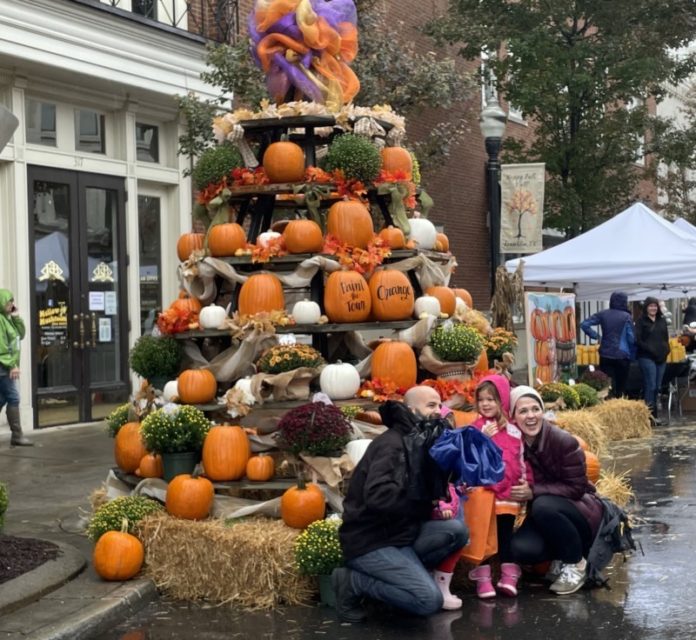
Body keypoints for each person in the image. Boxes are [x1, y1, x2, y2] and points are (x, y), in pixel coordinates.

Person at [334, 386, 469, 622]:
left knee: (457, 531)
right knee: (429, 601)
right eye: (431, 406)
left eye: (439, 405)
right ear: (411, 409)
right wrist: (424, 499)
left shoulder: (419, 442)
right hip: (371, 540)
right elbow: (378, 496)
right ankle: (352, 582)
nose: (438, 411)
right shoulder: (393, 445)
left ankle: (406, 575)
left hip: (401, 534)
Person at [508, 386, 603, 596]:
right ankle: (561, 555)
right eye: (523, 411)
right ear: (513, 416)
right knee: (519, 549)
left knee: (543, 506)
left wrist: (533, 491)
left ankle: (576, 563)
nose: (531, 415)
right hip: (547, 514)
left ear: (543, 412)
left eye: (535, 409)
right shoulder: (513, 445)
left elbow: (577, 488)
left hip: (581, 512)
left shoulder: (563, 441)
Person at [467, 374, 531, 599]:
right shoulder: (474, 429)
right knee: (484, 535)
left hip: (508, 493)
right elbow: (469, 460)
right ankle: (483, 579)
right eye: (481, 399)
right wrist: (481, 438)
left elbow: (520, 459)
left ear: (502, 400)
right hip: (484, 494)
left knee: (505, 535)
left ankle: (508, 575)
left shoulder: (514, 431)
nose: (485, 404)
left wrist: (526, 482)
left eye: (491, 399)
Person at [580, 291, 635, 398]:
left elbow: (584, 324)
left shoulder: (603, 314)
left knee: (606, 386)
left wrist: (597, 336)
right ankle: (619, 404)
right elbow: (631, 338)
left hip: (605, 354)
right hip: (622, 356)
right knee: (621, 386)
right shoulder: (627, 316)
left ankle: (608, 401)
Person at [0, 289, 32, 447]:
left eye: (12, 301)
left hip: (6, 366)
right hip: (3, 366)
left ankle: (17, 436)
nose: (11, 304)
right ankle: (17, 435)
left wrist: (17, 317)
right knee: (13, 397)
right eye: (8, 301)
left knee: (2, 399)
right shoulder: (0, 320)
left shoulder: (8, 319)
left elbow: (21, 334)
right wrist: (12, 366)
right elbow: (2, 347)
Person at [635, 296, 670, 425]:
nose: (653, 308)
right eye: (650, 305)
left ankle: (655, 415)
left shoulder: (662, 321)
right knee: (651, 386)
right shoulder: (641, 321)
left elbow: (665, 337)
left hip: (661, 358)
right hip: (647, 357)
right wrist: (651, 350)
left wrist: (667, 350)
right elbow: (638, 340)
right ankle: (649, 416)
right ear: (646, 307)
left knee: (658, 387)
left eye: (655, 306)